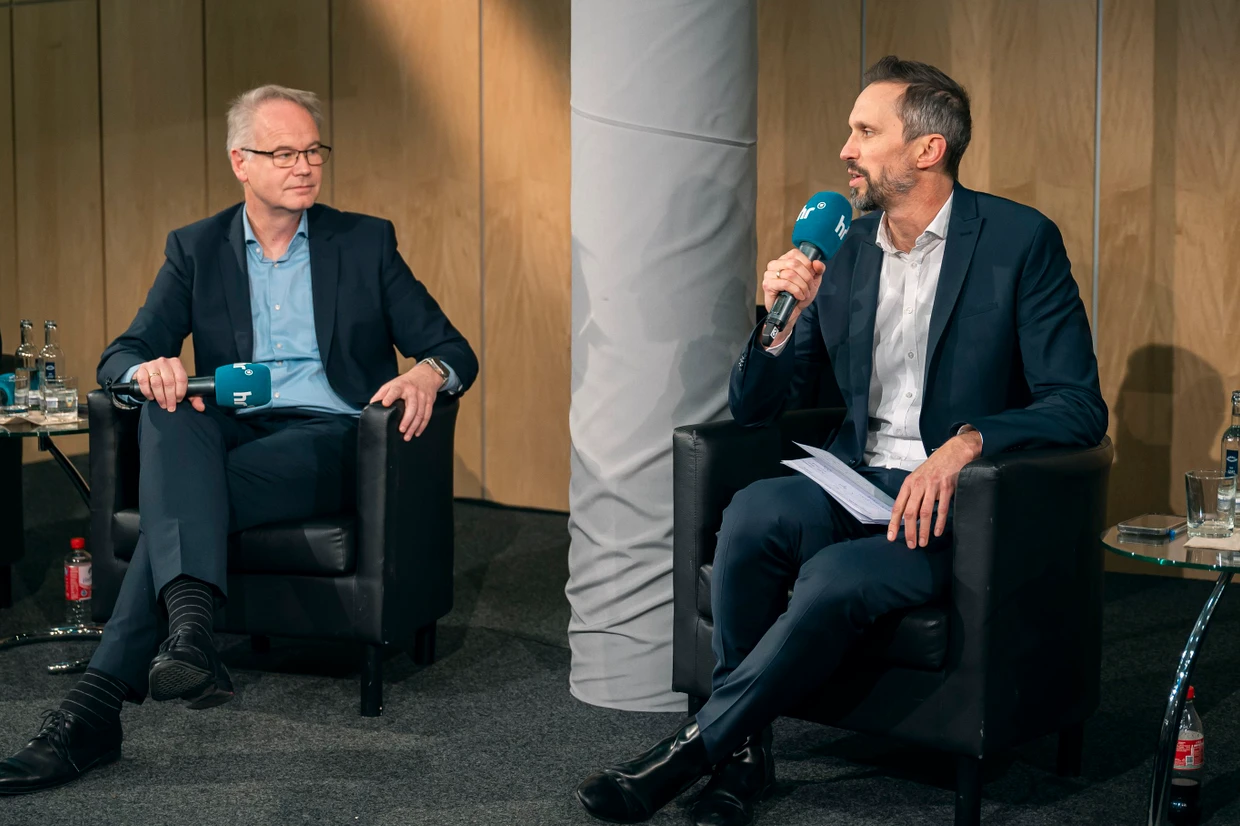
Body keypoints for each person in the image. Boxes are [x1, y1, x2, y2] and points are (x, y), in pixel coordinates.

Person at [576, 55, 1108, 826]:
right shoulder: (847, 248)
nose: (845, 150)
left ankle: (695, 753)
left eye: (865, 131)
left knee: (833, 577)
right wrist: (776, 321)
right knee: (752, 515)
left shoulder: (1018, 242)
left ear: (927, 148)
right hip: (856, 479)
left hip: (957, 506)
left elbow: (1078, 406)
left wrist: (967, 444)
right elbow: (759, 409)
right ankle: (741, 755)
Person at [0, 84, 478, 794]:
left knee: (177, 504)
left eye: (313, 150)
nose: (304, 166)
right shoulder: (196, 248)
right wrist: (148, 369)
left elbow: (452, 348)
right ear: (240, 162)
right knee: (169, 409)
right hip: (233, 428)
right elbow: (122, 354)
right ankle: (187, 636)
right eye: (283, 153)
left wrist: (426, 375)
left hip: (330, 435)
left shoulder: (364, 241)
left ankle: (102, 704)